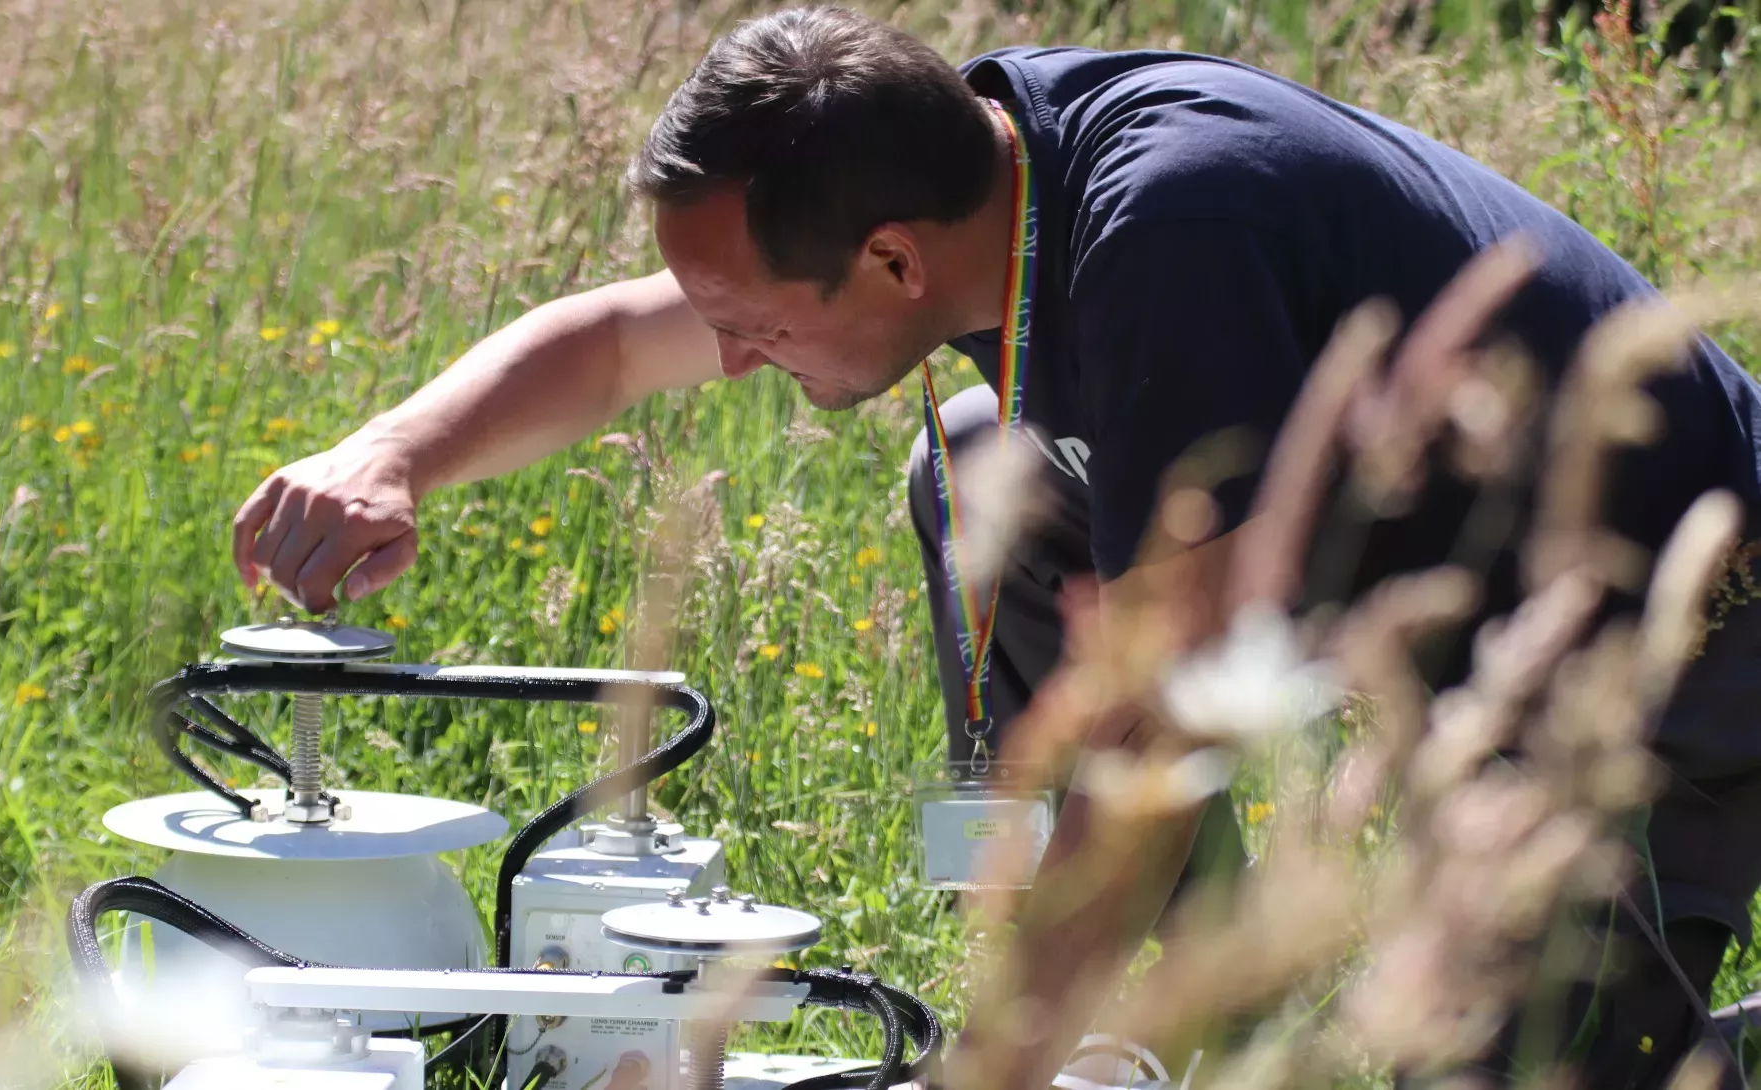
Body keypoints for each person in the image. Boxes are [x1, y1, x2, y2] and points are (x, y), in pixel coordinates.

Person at [229, 7, 1761, 1088]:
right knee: (985, 467)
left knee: (1542, 1056)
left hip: (1671, 626)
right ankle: (1158, 1033)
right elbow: (620, 343)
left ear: (891, 260)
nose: (734, 355)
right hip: (1442, 578)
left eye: (752, 321)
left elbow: (1164, 707)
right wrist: (389, 457)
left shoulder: (1170, 236)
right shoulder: (985, 166)